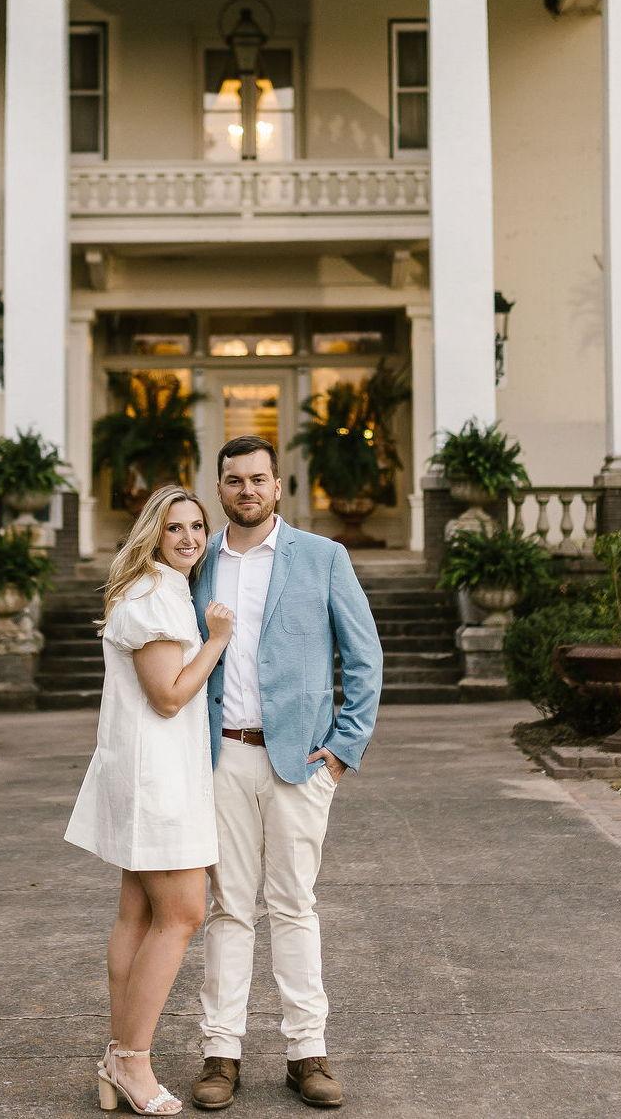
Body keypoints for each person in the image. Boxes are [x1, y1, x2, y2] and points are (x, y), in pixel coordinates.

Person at [189, 435, 382, 1111]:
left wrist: (343, 748)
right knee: (228, 908)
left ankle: (308, 1054)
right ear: (219, 487)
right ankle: (221, 1053)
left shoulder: (323, 557)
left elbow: (364, 656)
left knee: (294, 904)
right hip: (220, 758)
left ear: (278, 486)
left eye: (258, 479)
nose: (246, 490)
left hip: (300, 762)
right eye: (234, 480)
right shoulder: (198, 561)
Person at [65, 484, 236, 1117]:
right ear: (153, 535)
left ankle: (119, 1057)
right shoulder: (157, 594)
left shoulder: (154, 588)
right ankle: (133, 1061)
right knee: (183, 914)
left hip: (145, 773)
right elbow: (167, 696)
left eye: (197, 527)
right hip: (158, 779)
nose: (189, 538)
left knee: (136, 916)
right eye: (174, 528)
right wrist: (217, 639)